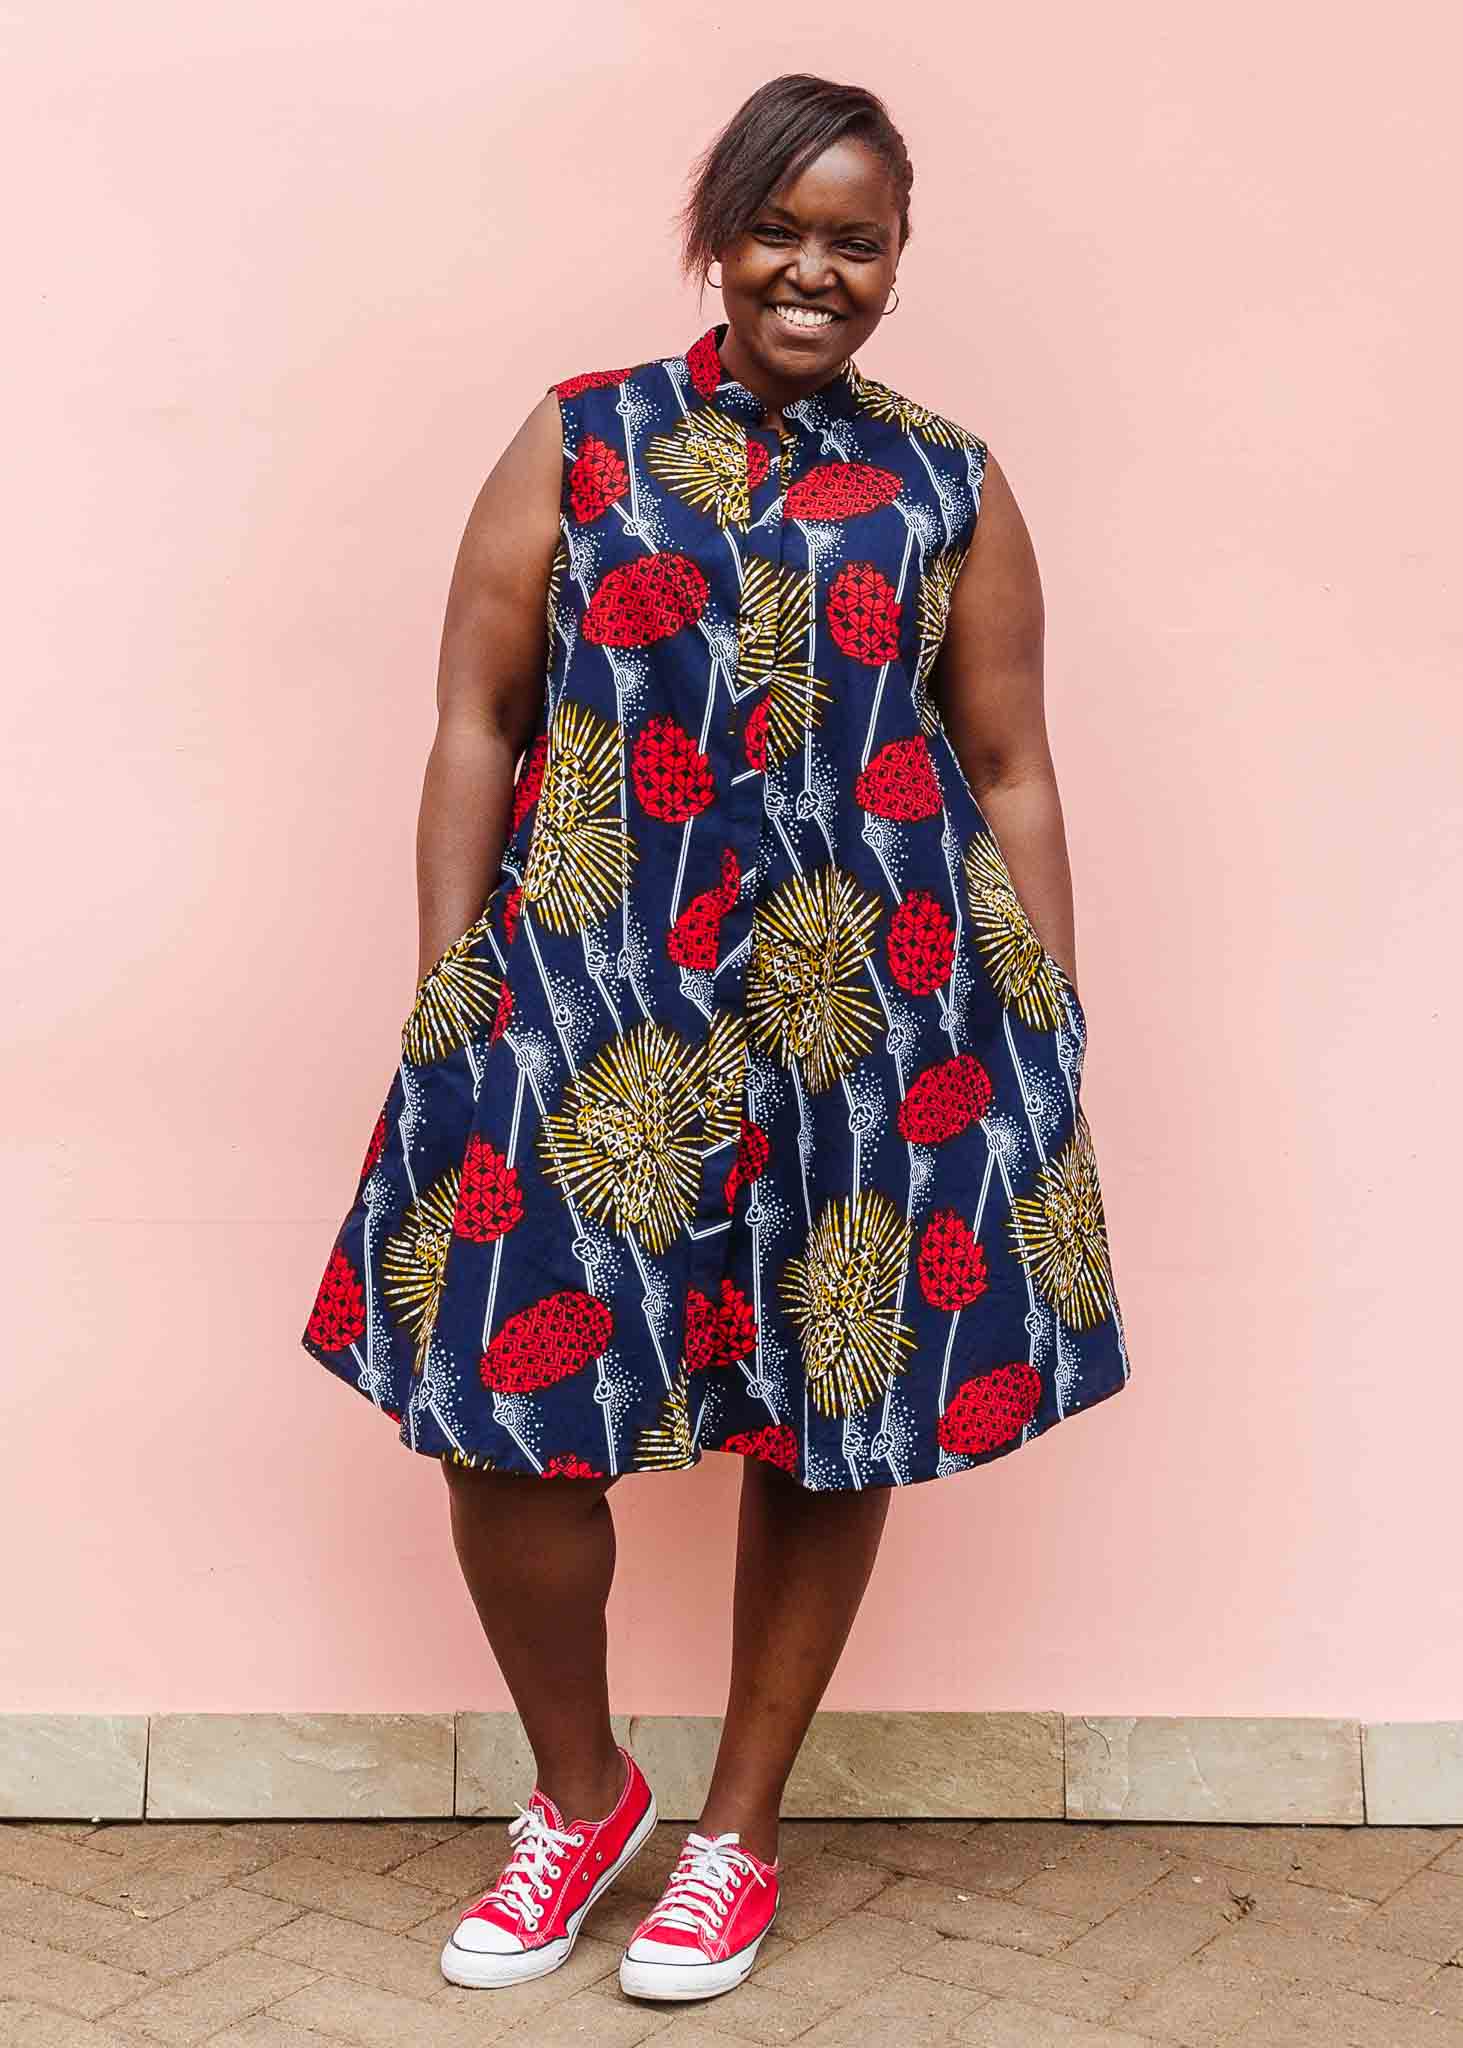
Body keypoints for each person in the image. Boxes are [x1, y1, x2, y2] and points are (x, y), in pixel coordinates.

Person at [301, 70, 1132, 2007]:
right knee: (505, 1420)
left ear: (899, 265)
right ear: (717, 232)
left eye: (859, 240)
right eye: (783, 227)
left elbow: (1006, 758)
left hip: (884, 1004)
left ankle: (737, 1833)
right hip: (593, 984)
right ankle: (581, 1791)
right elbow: (475, 722)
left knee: (839, 1409)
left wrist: (1049, 1024)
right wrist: (455, 987)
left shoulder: (948, 479)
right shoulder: (584, 440)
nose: (814, 269)